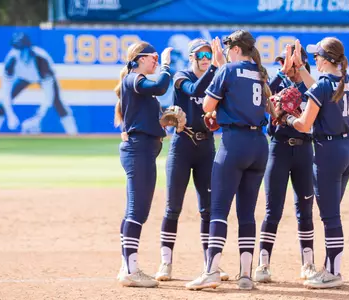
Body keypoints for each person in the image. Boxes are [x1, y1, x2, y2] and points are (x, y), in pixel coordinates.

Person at [185, 30, 273, 290]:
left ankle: (211, 271)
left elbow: (207, 106)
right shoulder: (260, 72)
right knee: (247, 213)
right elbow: (264, 105)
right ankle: (246, 275)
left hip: (234, 144)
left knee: (219, 209)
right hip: (260, 144)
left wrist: (219, 69)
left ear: (234, 49)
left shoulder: (227, 71)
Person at [279, 38, 349, 289]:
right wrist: (301, 69)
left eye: (316, 57)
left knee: (330, 216)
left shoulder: (324, 85)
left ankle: (333, 272)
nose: (315, 60)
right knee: (332, 212)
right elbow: (322, 91)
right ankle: (329, 267)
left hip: (328, 152)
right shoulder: (347, 80)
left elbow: (304, 124)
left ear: (325, 60)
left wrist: (285, 117)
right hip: (347, 149)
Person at [154, 38, 229, 282]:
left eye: (209, 54)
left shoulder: (216, 77)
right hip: (182, 145)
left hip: (206, 145)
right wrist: (217, 69)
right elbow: (195, 90)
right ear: (191, 57)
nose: (206, 58)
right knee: (172, 207)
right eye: (201, 55)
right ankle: (166, 263)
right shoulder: (180, 76)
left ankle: (210, 265)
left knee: (208, 208)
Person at [254, 44, 317, 283]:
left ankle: (308, 264)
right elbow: (263, 96)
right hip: (278, 149)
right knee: (273, 211)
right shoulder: (278, 83)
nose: (285, 66)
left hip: (303, 151)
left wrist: (298, 72)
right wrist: (283, 73)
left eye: (289, 62)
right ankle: (263, 264)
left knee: (305, 211)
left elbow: (318, 97)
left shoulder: (312, 87)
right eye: (282, 62)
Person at [114, 41, 173, 288]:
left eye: (159, 58)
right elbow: (160, 86)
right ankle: (131, 269)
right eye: (154, 57)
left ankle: (127, 264)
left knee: (134, 210)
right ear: (139, 58)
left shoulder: (138, 85)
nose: (156, 61)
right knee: (138, 211)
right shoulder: (134, 80)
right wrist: (168, 66)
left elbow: (156, 111)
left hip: (142, 150)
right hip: (139, 151)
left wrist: (166, 118)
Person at [0, 32, 78, 135]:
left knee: (58, 104)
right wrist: (10, 115)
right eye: (17, 48)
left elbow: (49, 96)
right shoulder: (11, 60)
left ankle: (73, 134)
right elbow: (5, 91)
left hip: (41, 78)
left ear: (28, 47)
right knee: (0, 106)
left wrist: (38, 118)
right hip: (22, 78)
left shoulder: (41, 60)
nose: (19, 52)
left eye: (22, 48)